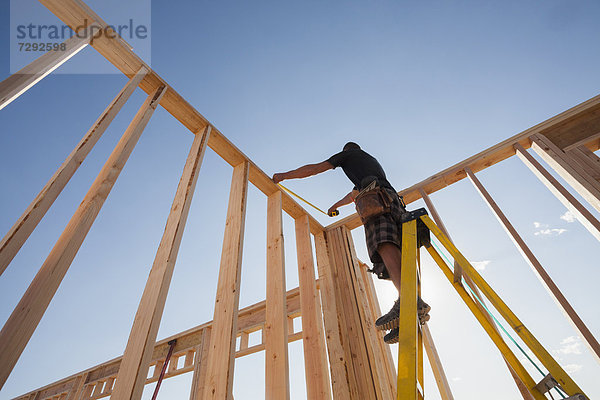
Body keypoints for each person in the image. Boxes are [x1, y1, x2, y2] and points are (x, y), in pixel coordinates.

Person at [272, 142, 430, 344]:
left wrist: (284, 176)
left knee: (383, 243)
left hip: (376, 201)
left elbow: (315, 169)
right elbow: (354, 194)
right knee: (398, 252)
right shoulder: (369, 164)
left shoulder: (349, 155)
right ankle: (409, 304)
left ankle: (409, 302)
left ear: (347, 151)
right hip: (392, 201)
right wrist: (335, 205)